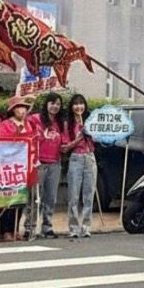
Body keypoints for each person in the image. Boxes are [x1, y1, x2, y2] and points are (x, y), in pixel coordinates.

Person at [0, 96, 36, 242]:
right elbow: (3, 143)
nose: (22, 110)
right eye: (19, 107)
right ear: (13, 110)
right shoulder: (6, 124)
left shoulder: (28, 124)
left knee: (20, 199)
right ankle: (5, 230)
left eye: (24, 107)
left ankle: (15, 229)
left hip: (24, 166)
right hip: (9, 166)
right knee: (8, 199)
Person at [26, 93, 64, 240]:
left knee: (51, 198)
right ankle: (30, 227)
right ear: (46, 104)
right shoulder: (36, 118)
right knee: (35, 197)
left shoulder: (60, 122)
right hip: (38, 163)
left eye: (58, 104)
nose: (55, 106)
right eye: (52, 103)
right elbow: (23, 123)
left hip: (55, 163)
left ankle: (47, 227)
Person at [62, 94, 96, 239]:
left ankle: (86, 226)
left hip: (90, 157)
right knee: (74, 195)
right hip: (76, 157)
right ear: (71, 107)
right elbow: (65, 147)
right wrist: (80, 137)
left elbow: (98, 140)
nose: (79, 107)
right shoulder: (67, 124)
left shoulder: (91, 121)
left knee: (89, 194)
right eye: (75, 104)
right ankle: (74, 227)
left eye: (81, 103)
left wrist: (91, 133)